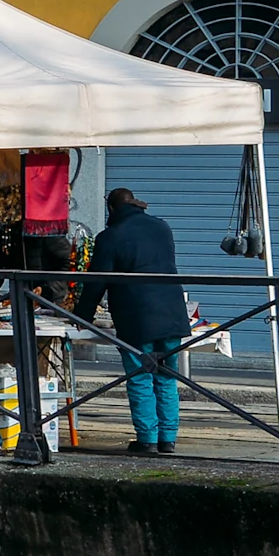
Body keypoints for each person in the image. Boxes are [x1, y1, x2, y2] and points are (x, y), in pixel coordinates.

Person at [76, 184, 190, 455]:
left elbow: (96, 281)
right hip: (172, 314)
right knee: (166, 377)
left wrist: (82, 314)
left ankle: (147, 439)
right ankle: (168, 439)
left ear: (111, 208)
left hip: (136, 317)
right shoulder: (162, 228)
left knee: (140, 377)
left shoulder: (110, 237)